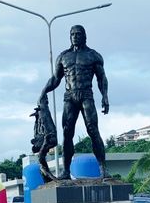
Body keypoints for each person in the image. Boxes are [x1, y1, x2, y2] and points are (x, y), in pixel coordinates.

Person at [38, 25, 109, 179]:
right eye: (72, 34)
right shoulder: (64, 56)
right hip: (70, 96)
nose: (75, 36)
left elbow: (101, 78)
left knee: (93, 130)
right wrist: (44, 91)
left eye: (78, 34)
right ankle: (66, 171)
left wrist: (105, 96)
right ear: (70, 37)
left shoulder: (93, 55)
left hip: (86, 95)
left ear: (84, 36)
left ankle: (103, 169)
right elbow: (56, 79)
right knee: (67, 133)